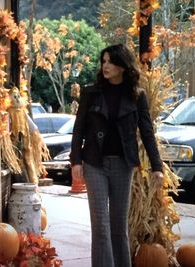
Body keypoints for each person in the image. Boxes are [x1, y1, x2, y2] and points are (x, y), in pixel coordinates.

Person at [70, 43, 163, 267]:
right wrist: (76, 161)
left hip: (123, 164)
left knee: (118, 228)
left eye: (110, 61)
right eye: (103, 61)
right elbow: (79, 127)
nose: (106, 66)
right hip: (94, 163)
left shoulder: (137, 96)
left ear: (122, 65)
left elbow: (147, 131)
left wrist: (157, 166)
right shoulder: (91, 93)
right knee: (100, 226)